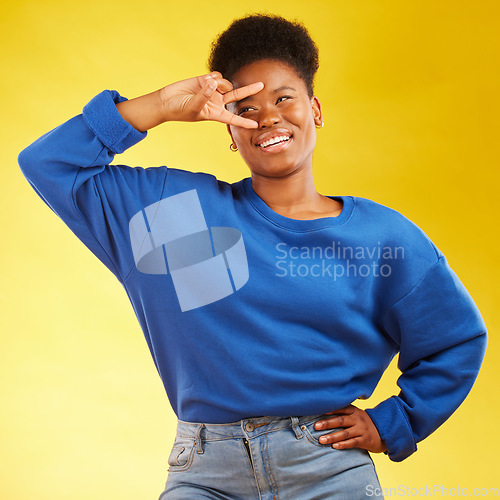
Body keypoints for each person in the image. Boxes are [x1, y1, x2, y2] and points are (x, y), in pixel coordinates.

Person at [18, 13, 487, 500]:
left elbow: (456, 339)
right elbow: (48, 164)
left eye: (284, 98)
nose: (267, 117)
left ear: (316, 110)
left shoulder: (383, 237)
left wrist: (394, 423)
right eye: (246, 106)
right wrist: (159, 106)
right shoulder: (172, 213)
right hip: (204, 475)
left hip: (327, 469)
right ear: (228, 129)